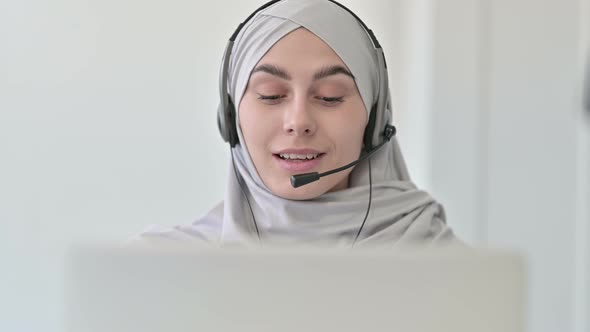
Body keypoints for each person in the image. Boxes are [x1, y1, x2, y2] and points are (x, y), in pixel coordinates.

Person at [139, 0, 457, 247]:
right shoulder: (154, 270)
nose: (298, 122)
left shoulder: (447, 264)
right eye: (271, 95)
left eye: (330, 97)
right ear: (231, 117)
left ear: (375, 123)